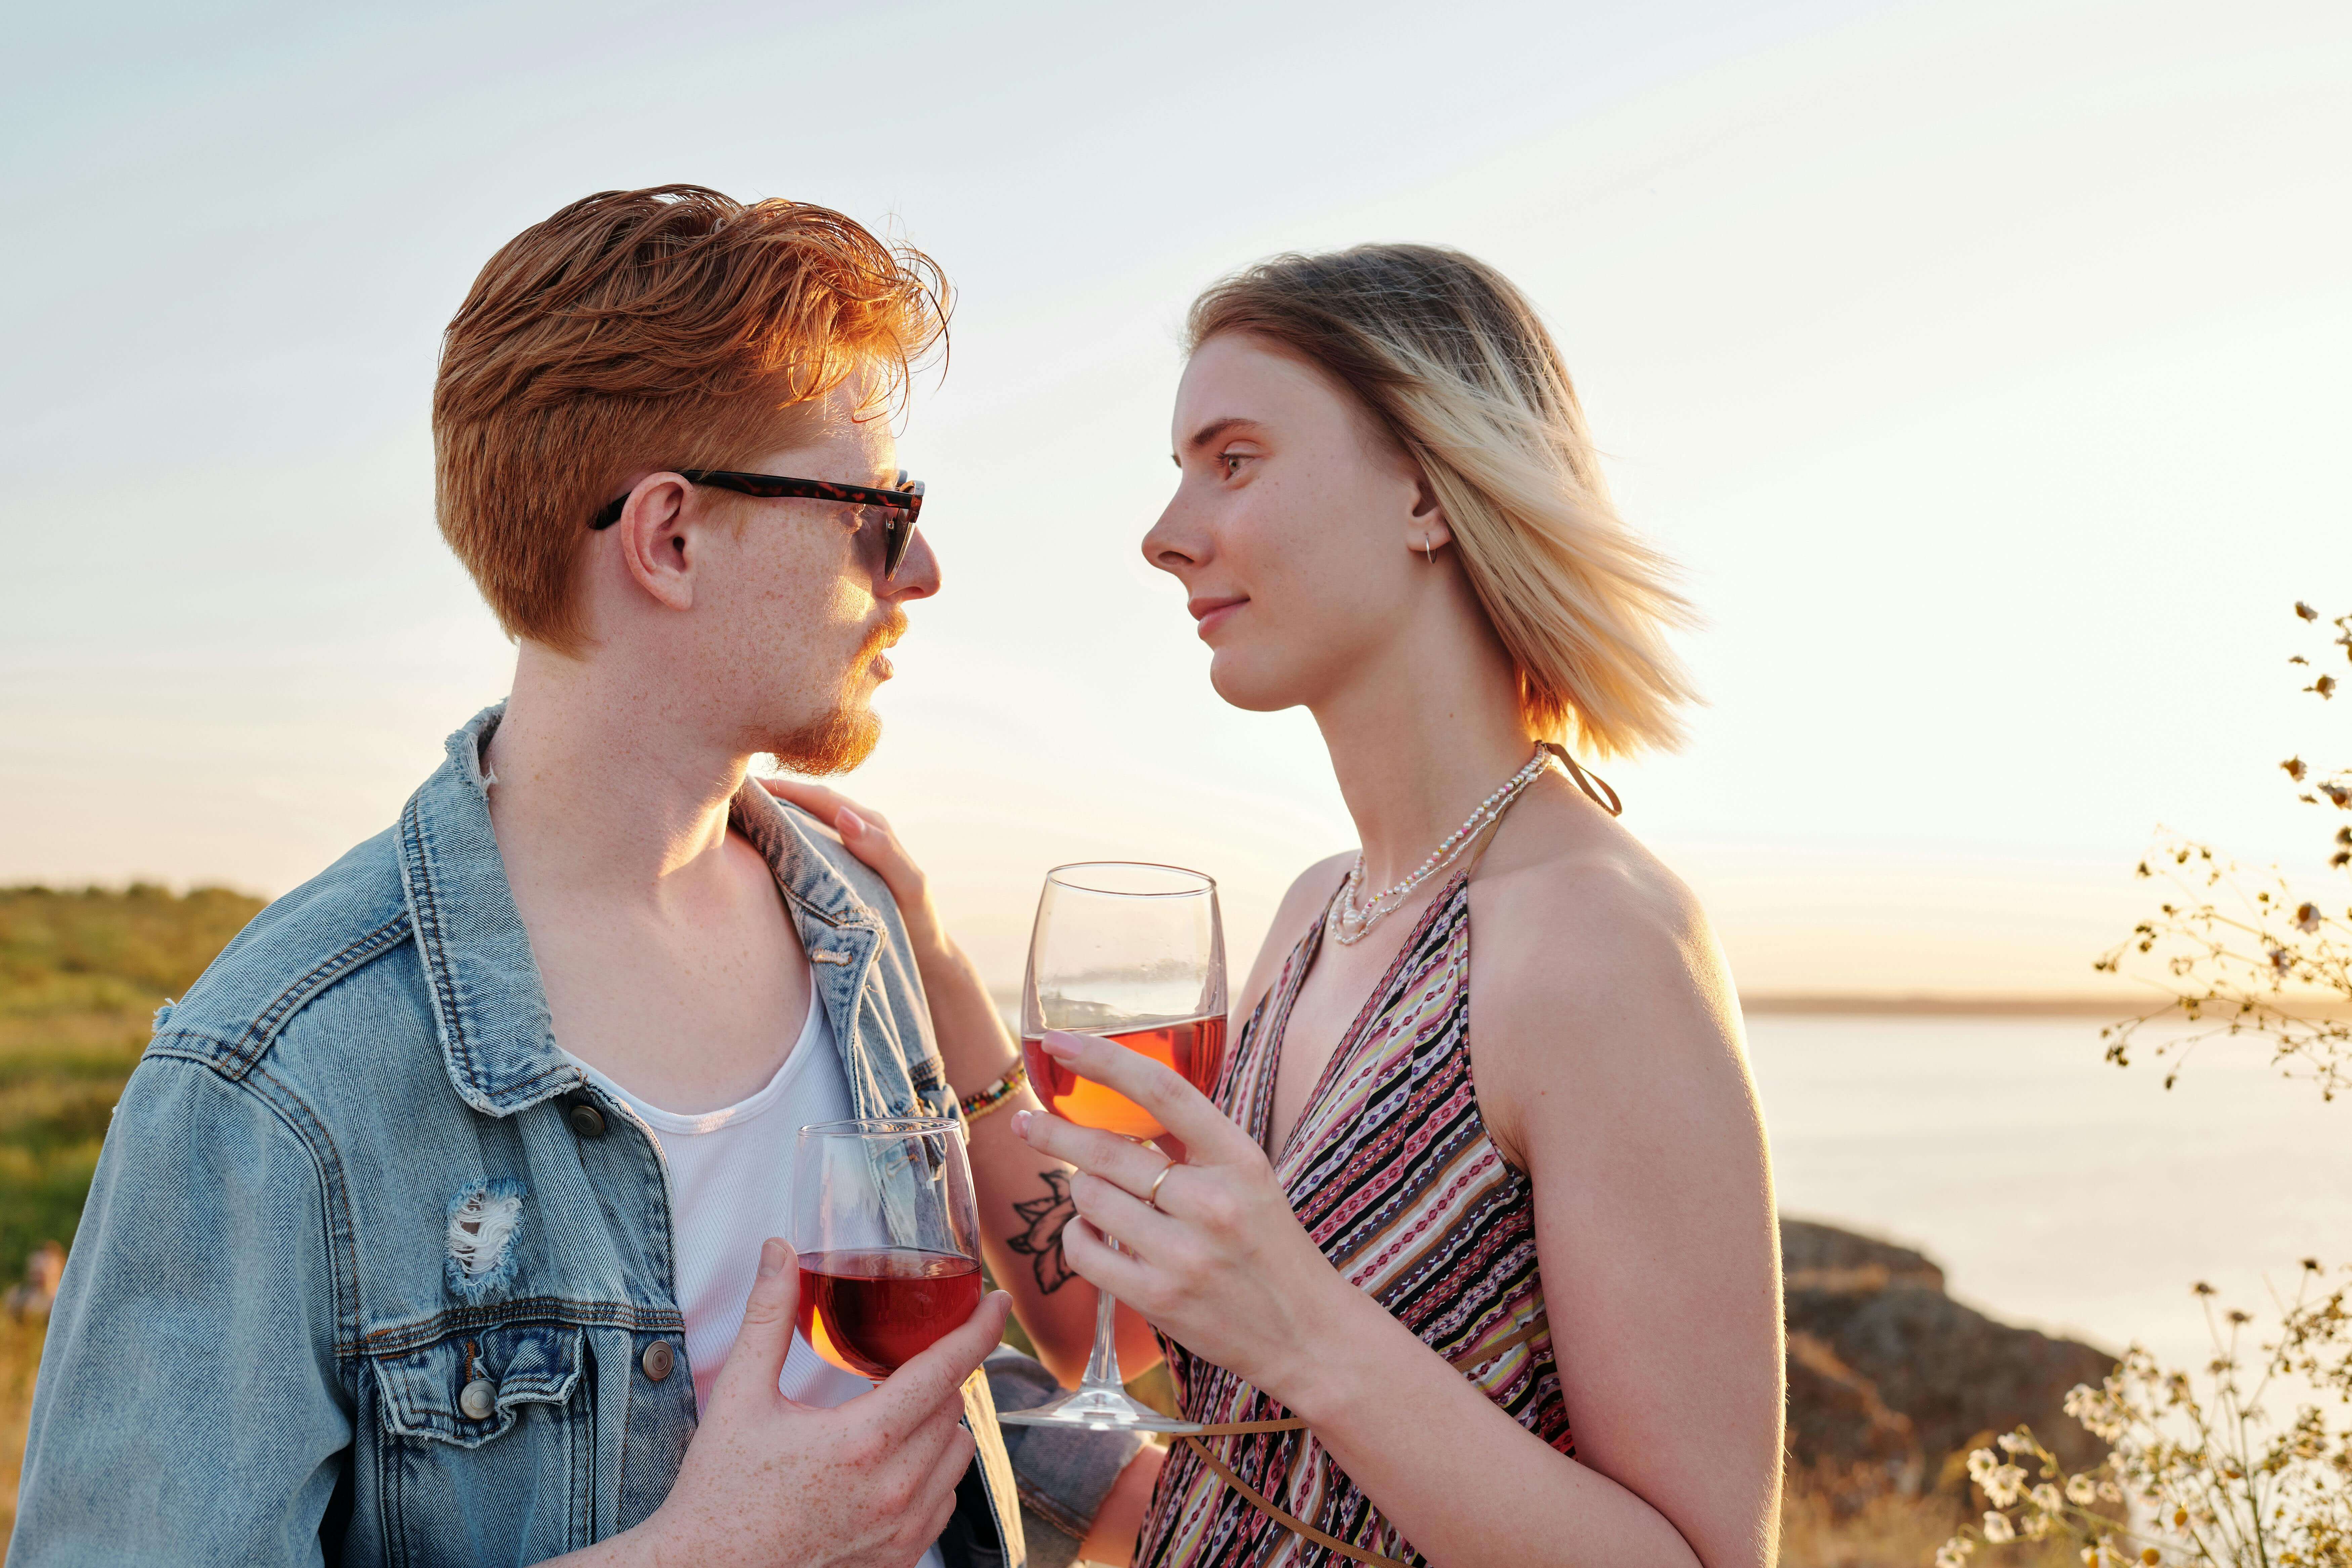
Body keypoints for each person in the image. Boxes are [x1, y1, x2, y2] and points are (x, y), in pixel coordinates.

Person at [8, 185, 1149, 1568]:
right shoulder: (278, 1079)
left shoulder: (856, 937)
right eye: (875, 509)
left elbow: (900, 1391)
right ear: (669, 538)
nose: (919, 569)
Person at [802, 245, 1783, 1568]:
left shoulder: (1591, 942)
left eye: (1235, 460)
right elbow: (1122, 1333)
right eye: (1179, 469)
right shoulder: (1324, 909)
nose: (1164, 536)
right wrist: (935, 972)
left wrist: (1301, 1330)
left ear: (1427, 493)